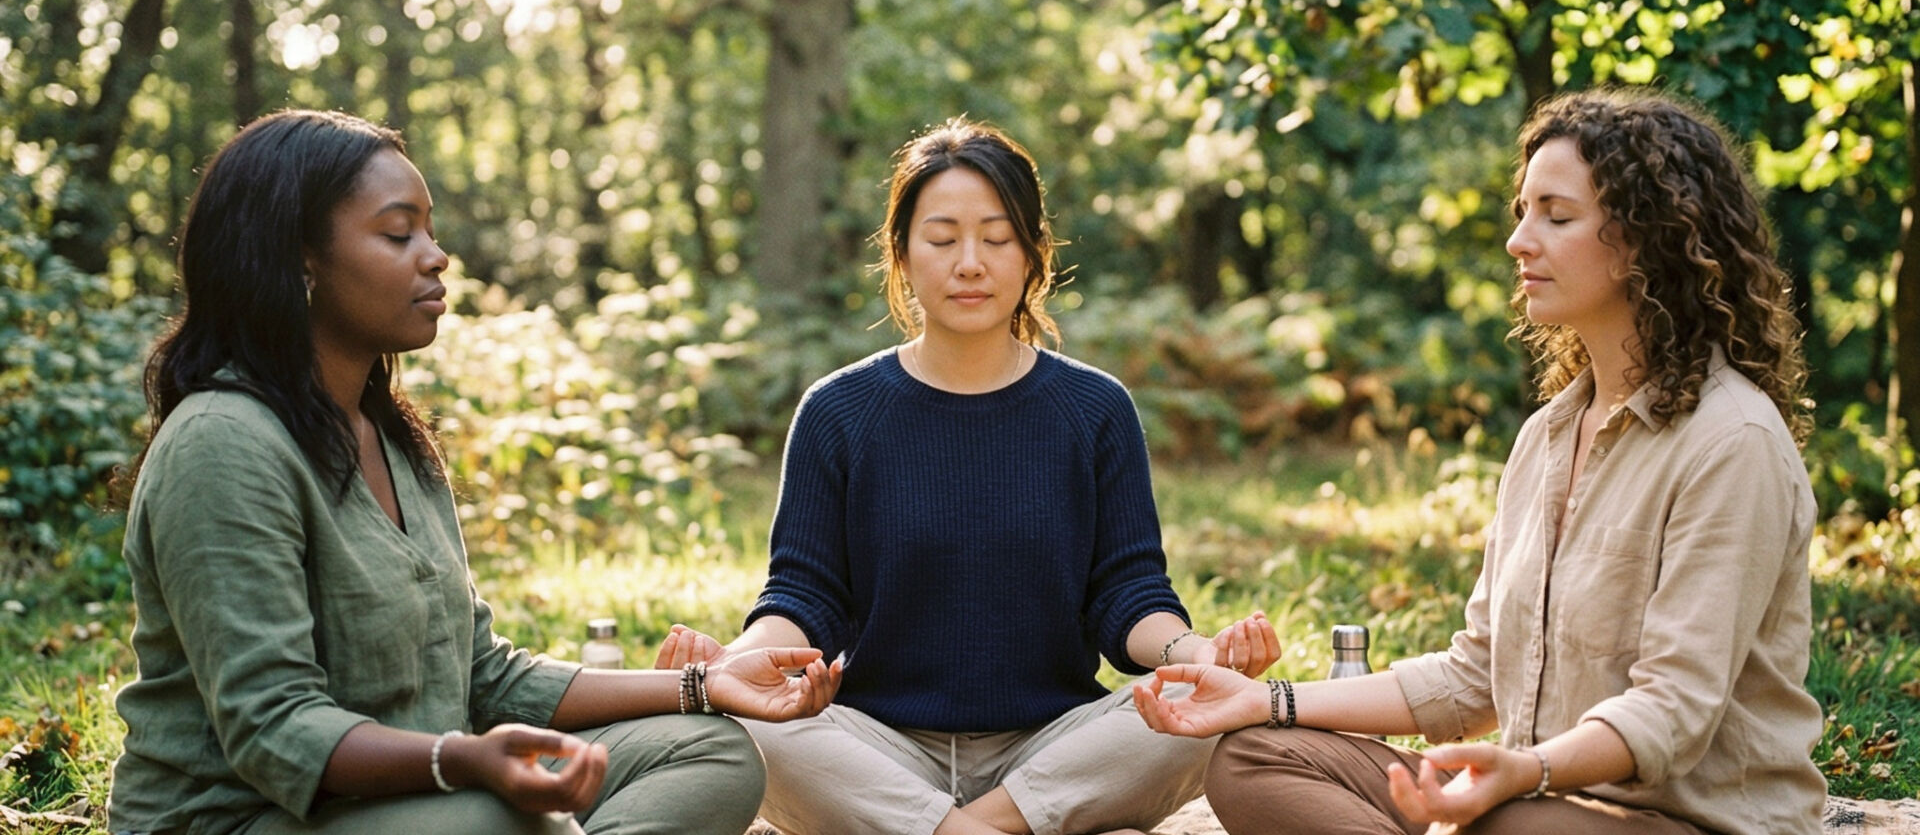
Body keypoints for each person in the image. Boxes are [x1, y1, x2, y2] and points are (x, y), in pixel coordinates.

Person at [107, 110, 840, 835]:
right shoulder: (221, 444)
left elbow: (483, 676)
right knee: (508, 821)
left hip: (428, 797)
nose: (436, 256)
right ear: (299, 257)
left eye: (429, 230)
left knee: (707, 752)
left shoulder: (389, 435)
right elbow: (276, 730)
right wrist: (463, 762)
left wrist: (700, 684)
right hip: (246, 819)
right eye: (400, 233)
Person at [1134, 89, 1826, 835]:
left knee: (1499, 829)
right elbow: (1474, 676)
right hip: (1538, 804)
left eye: (1557, 216)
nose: (1520, 242)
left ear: (1646, 240)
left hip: (1684, 821)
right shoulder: (1547, 437)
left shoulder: (1732, 442)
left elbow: (1673, 712)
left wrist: (1524, 773)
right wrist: (1269, 702)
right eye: (1522, 213)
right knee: (1253, 756)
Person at [654, 118, 1279, 835]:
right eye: (943, 239)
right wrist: (731, 664)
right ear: (902, 254)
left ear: (1034, 254)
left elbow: (1128, 596)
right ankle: (991, 828)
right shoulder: (838, 412)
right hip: (878, 748)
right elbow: (806, 596)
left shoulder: (1094, 409)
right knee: (744, 729)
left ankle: (944, 827)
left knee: (1202, 713)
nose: (971, 263)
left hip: (1055, 744)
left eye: (998, 237)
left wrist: (1203, 656)